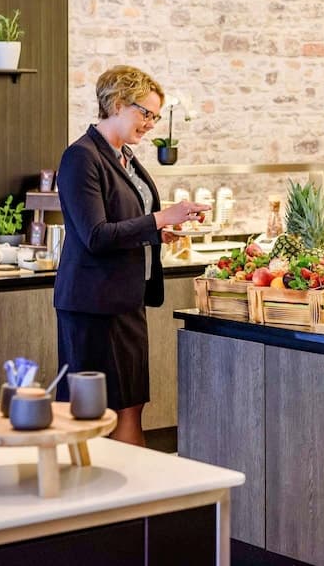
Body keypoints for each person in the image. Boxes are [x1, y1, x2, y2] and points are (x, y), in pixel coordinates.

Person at [54, 65, 211, 446]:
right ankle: (92, 481)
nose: (151, 124)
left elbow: (126, 223)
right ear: (118, 105)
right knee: (95, 412)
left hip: (128, 299)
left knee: (131, 405)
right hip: (93, 306)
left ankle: (130, 483)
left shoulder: (125, 157)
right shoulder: (81, 157)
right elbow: (95, 236)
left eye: (155, 116)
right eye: (146, 114)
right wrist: (160, 218)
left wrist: (158, 231)